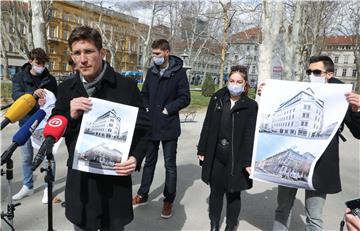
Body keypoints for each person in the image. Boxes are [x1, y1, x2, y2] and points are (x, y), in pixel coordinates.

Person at [51, 26, 149, 230]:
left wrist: (136, 158)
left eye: (88, 51)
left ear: (102, 53)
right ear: (72, 56)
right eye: (77, 53)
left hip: (114, 183)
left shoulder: (126, 87)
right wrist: (69, 115)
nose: (83, 59)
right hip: (81, 182)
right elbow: (56, 125)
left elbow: (145, 129)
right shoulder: (65, 89)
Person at [257, 55, 360, 231]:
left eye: (317, 72)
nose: (312, 75)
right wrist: (267, 94)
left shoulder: (342, 96)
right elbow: (276, 99)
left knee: (314, 216)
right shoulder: (302, 89)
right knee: (282, 209)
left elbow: (358, 133)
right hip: (290, 161)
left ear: (329, 74)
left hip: (321, 164)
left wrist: (357, 111)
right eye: (309, 71)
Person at [132, 39, 191, 218]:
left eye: (157, 54)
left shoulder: (179, 73)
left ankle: (168, 200)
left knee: (169, 165)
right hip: (151, 125)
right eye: (153, 54)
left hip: (168, 126)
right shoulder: (151, 72)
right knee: (148, 162)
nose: (154, 57)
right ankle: (143, 194)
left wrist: (168, 109)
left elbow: (185, 98)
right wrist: (146, 107)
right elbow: (144, 94)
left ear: (166, 52)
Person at [197, 65, 258, 231]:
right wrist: (202, 149)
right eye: (231, 80)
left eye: (239, 81)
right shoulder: (218, 98)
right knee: (215, 191)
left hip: (237, 157)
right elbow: (207, 124)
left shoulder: (251, 106)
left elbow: (250, 136)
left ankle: (231, 226)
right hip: (216, 153)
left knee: (233, 193)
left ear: (245, 85)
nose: (234, 84)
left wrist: (247, 161)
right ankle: (214, 224)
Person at [11, 48, 58, 203]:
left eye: (43, 63)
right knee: (26, 157)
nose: (41, 66)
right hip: (26, 122)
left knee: (47, 157)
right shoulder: (19, 77)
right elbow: (16, 96)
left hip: (45, 123)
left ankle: (47, 189)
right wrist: (33, 95)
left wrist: (48, 102)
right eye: (38, 63)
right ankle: (27, 186)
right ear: (30, 61)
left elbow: (56, 99)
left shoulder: (50, 79)